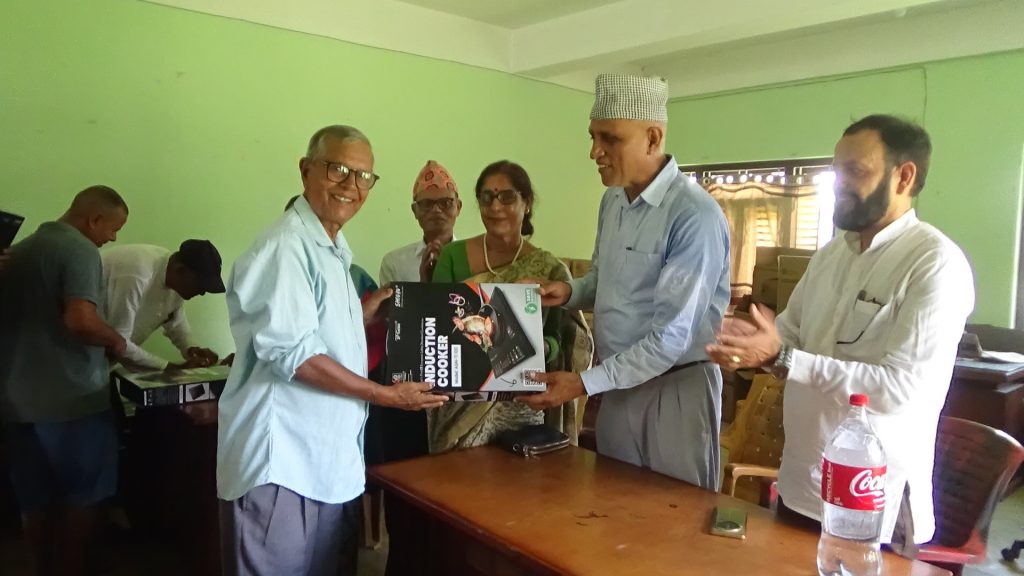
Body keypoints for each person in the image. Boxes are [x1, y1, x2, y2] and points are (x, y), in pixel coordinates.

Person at [706, 115, 975, 551]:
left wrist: (781, 356)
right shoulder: (832, 255)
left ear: (904, 176)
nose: (839, 184)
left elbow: (900, 389)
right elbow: (789, 334)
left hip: (873, 501)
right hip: (802, 485)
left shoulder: (934, 263)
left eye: (855, 171)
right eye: (836, 171)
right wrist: (747, 342)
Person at [216, 125, 446, 576]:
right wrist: (386, 396)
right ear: (306, 170)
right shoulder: (285, 247)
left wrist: (363, 314)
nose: (351, 185)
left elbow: (313, 331)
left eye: (363, 176)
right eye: (337, 169)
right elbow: (297, 356)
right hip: (283, 464)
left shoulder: (332, 249)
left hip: (326, 463)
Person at [519, 73, 731, 492]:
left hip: (675, 390)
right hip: (618, 385)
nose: (594, 152)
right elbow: (604, 279)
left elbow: (670, 339)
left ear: (652, 139)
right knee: (614, 506)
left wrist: (582, 383)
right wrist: (569, 292)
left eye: (609, 138)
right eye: (592, 137)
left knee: (673, 516)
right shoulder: (613, 200)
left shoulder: (693, 216)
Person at [0, 185, 129, 576]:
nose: (113, 238)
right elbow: (80, 320)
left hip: (17, 402)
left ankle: (42, 568)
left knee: (34, 500)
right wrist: (115, 340)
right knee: (85, 496)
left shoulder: (18, 252)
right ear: (94, 220)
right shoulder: (79, 250)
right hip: (72, 403)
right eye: (113, 228)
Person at [431, 159, 583, 452]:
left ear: (527, 203)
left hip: (520, 401)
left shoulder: (549, 269)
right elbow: (437, 327)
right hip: (460, 401)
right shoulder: (452, 256)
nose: (495, 206)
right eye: (486, 197)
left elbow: (559, 340)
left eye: (507, 197)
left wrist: (535, 349)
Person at [101, 240, 225, 371]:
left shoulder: (172, 275)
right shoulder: (137, 272)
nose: (202, 292)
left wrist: (191, 348)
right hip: (87, 355)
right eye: (200, 284)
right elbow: (118, 342)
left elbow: (175, 322)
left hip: (102, 361)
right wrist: (169, 368)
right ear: (179, 269)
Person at [379, 160, 462, 285]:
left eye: (445, 202)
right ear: (415, 211)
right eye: (427, 204)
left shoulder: (475, 259)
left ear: (458, 207)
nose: (436, 210)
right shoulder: (394, 263)